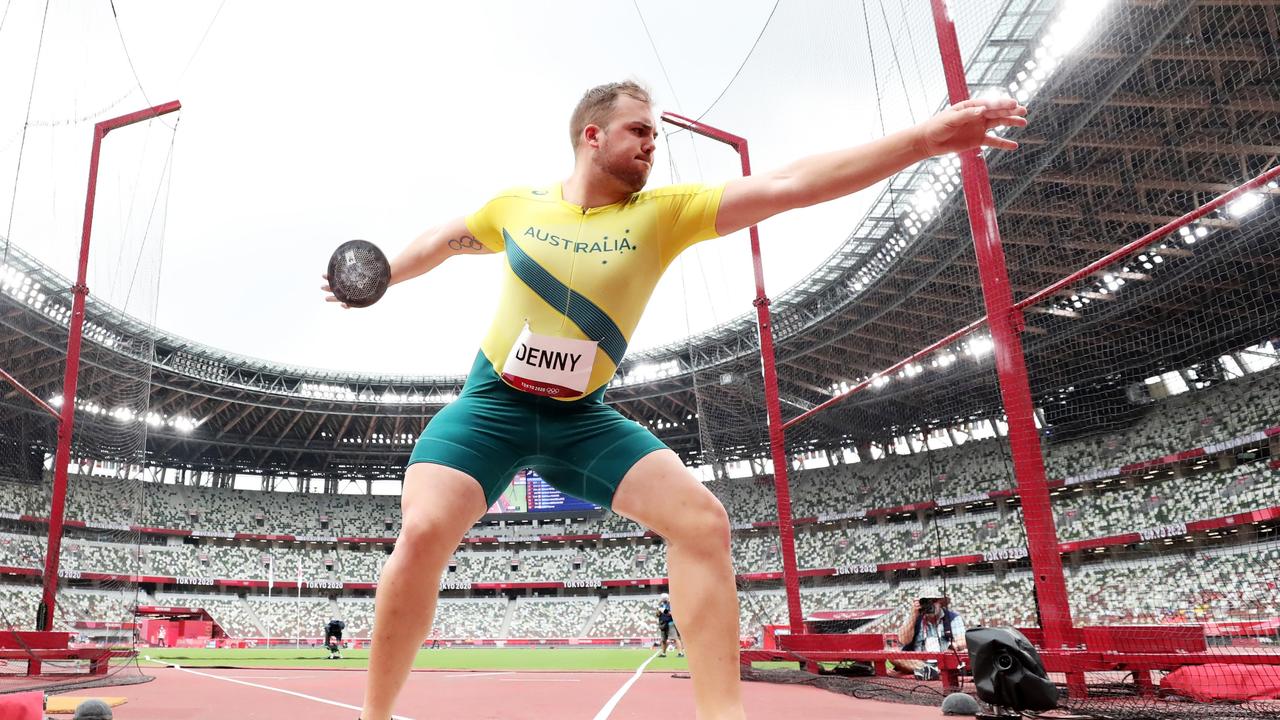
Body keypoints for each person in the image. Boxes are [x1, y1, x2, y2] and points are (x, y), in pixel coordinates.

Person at [324, 80, 1025, 720]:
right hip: (492, 408)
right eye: (639, 131)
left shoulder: (665, 214)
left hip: (580, 418)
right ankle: (376, 717)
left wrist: (926, 140)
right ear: (591, 136)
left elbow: (790, 184)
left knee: (702, 521)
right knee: (420, 533)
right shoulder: (518, 207)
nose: (652, 146)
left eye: (655, 134)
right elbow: (440, 241)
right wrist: (383, 272)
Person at [895, 586, 967, 680]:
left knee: (964, 652)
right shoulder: (914, 618)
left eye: (933, 601)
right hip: (918, 661)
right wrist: (914, 615)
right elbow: (903, 640)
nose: (930, 605)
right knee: (893, 655)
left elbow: (962, 641)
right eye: (926, 601)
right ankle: (929, 670)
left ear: (940, 602)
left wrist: (952, 647)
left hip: (944, 660)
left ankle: (931, 671)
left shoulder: (952, 618)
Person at [656, 592, 685, 658]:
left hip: (670, 623)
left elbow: (672, 613)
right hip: (663, 623)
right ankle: (663, 653)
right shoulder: (661, 605)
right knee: (663, 639)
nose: (663, 600)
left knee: (675, 638)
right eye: (663, 599)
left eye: (664, 599)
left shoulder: (671, 604)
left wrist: (664, 610)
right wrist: (658, 610)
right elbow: (657, 615)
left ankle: (680, 653)